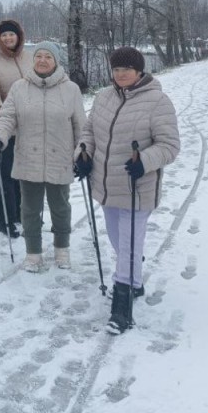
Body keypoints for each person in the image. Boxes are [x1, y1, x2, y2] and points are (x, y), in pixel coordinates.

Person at [73, 46, 180, 334]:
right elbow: (89, 132)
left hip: (137, 185)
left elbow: (169, 146)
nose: (121, 74)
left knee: (129, 244)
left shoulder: (158, 101)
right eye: (116, 69)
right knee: (118, 239)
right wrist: (82, 155)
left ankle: (122, 308)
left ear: (139, 71)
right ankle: (134, 280)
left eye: (126, 70)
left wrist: (144, 161)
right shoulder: (103, 97)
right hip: (106, 185)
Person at [0, 41, 86, 272]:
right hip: (28, 158)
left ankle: (62, 249)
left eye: (48, 56)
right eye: (38, 56)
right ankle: (33, 254)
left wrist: (83, 151)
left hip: (59, 157)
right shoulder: (19, 87)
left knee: (60, 207)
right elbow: (7, 117)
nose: (42, 60)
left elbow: (81, 126)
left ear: (56, 61)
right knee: (29, 209)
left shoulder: (70, 89)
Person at [0, 18, 31, 238]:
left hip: (29, 126)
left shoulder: (30, 58)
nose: (8, 38)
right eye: (4, 36)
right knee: (6, 173)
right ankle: (5, 218)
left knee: (24, 173)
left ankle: (21, 214)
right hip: (5, 127)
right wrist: (0, 111)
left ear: (19, 36)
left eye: (12, 34)